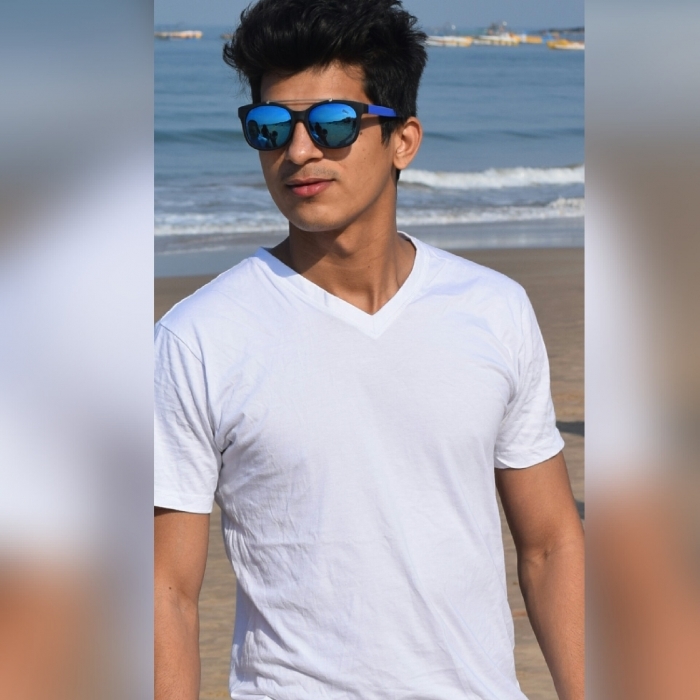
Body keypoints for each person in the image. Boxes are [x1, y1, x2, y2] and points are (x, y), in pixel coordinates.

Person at [154, 1, 584, 699]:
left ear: (402, 140)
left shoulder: (493, 310)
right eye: (270, 127)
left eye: (332, 124)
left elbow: (551, 545)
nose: (298, 152)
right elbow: (165, 591)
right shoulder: (199, 338)